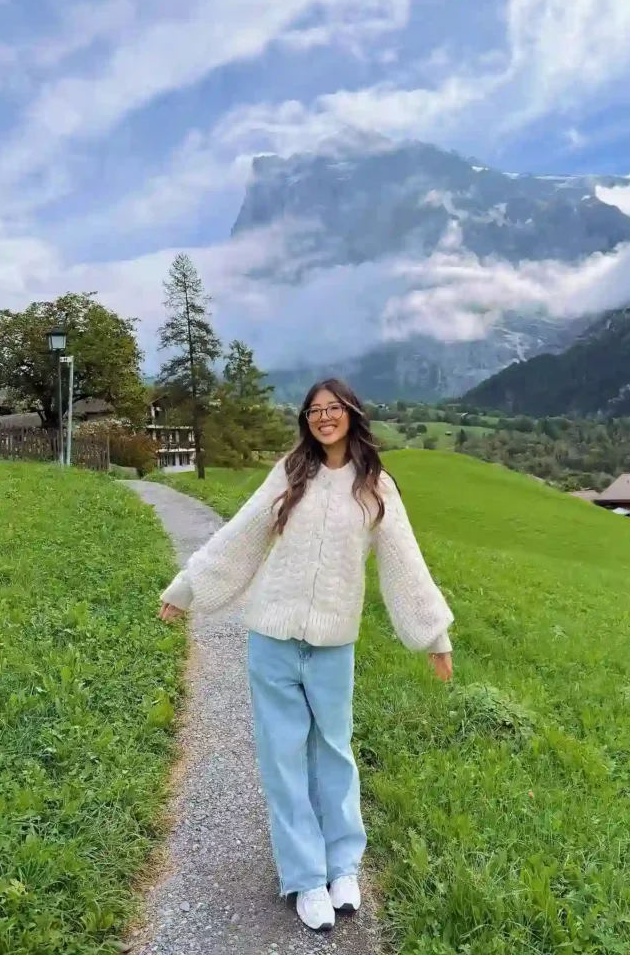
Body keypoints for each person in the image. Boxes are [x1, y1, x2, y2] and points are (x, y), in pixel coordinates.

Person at [158, 378, 454, 932]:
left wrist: (433, 635)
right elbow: (243, 532)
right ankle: (304, 877)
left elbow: (405, 564)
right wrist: (187, 587)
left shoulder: (376, 486)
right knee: (283, 760)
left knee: (334, 754)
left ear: (351, 415)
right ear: (306, 420)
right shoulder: (291, 471)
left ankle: (342, 866)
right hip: (271, 637)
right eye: (315, 411)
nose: (324, 418)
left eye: (333, 409)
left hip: (332, 647)